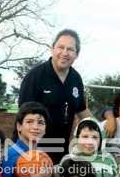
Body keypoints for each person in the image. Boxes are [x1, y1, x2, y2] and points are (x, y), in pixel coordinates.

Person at [18, 29, 91, 163]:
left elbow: (81, 110)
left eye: (70, 49)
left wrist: (101, 126)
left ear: (77, 54)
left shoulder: (76, 78)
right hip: (33, 152)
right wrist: (30, 154)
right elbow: (23, 118)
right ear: (52, 49)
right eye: (61, 47)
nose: (65, 53)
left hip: (61, 151)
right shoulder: (35, 77)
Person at [1, 102, 54, 177]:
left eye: (41, 123)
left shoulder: (43, 156)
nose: (35, 127)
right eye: (29, 122)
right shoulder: (10, 155)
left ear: (45, 129)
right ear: (19, 126)